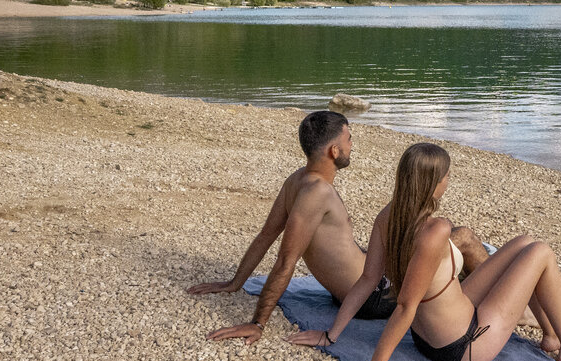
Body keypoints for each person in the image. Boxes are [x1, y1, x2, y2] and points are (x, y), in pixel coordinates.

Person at [288, 142, 561, 361]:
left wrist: (332, 334)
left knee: (524, 243)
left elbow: (367, 280)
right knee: (542, 252)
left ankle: (550, 335)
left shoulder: (389, 216)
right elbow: (405, 307)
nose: (448, 181)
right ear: (436, 182)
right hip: (464, 345)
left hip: (432, 336)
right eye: (447, 176)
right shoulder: (434, 229)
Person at [189, 111, 497, 342]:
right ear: (334, 151)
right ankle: (495, 294)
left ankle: (475, 282)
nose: (352, 144)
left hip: (354, 287)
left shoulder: (297, 180)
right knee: (464, 238)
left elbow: (266, 235)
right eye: (348, 139)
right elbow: (285, 259)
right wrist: (257, 323)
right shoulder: (317, 194)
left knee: (431, 243)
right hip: (373, 295)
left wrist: (234, 283)